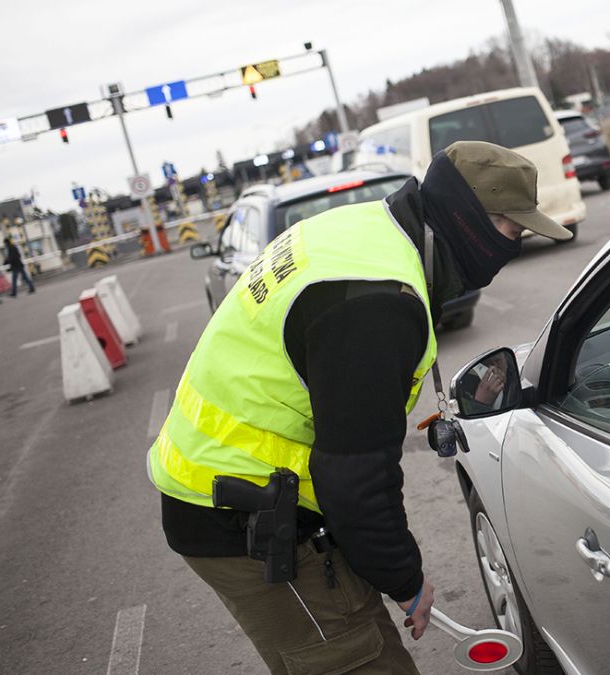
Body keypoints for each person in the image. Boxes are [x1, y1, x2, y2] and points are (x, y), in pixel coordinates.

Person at [148, 141, 572, 674]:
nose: (512, 250)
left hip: (248, 492)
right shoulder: (374, 303)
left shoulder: (366, 232)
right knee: (353, 659)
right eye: (512, 233)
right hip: (247, 518)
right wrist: (406, 579)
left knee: (365, 640)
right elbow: (355, 478)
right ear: (469, 222)